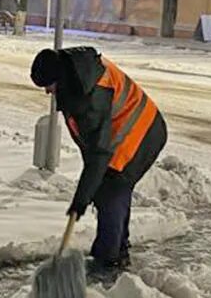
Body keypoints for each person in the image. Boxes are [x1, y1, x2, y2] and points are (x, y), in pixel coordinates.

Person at [31, 46, 167, 279]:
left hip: (142, 133)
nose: (46, 92)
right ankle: (118, 250)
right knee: (106, 185)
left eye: (48, 86)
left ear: (59, 79)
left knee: (112, 189)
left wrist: (81, 199)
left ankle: (108, 264)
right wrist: (89, 187)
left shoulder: (90, 97)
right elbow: (91, 145)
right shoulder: (76, 77)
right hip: (125, 131)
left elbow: (99, 155)